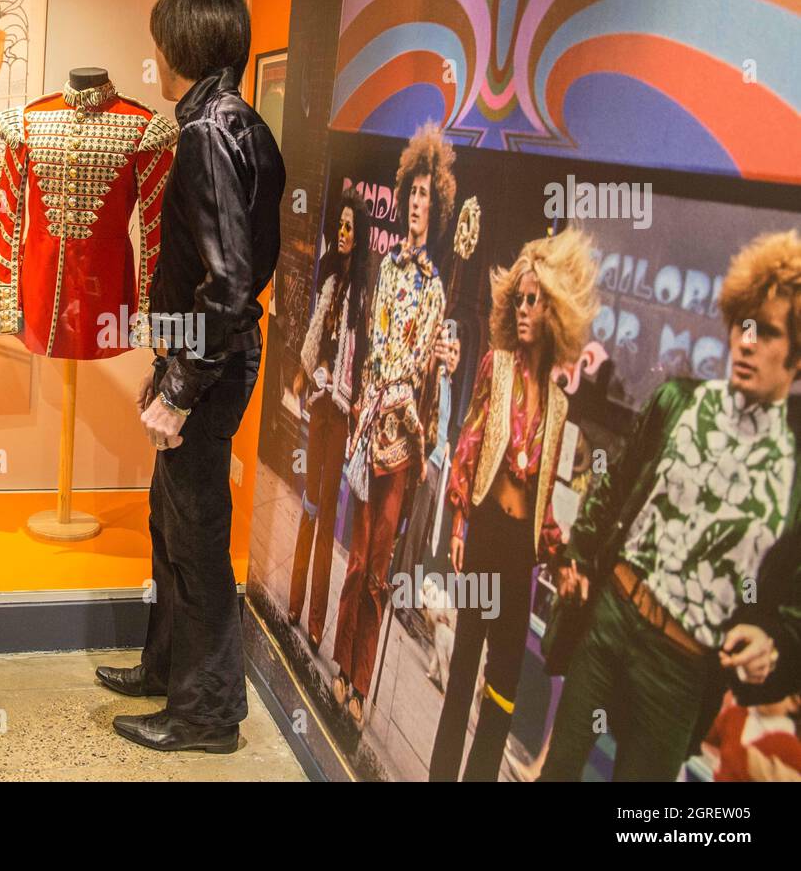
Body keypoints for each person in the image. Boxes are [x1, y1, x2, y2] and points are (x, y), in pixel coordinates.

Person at [95, 0, 285, 753]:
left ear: (178, 47)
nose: (154, 54)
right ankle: (167, 669)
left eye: (160, 40)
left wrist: (178, 386)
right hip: (209, 355)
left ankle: (206, 714)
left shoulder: (208, 131)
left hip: (209, 364)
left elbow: (230, 283)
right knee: (172, 519)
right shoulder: (240, 122)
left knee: (197, 534)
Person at [541, 230, 801, 781]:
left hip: (682, 670)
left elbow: (792, 614)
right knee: (558, 772)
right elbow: (610, 490)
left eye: (769, 332)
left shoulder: (793, 478)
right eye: (742, 326)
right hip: (614, 614)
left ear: (797, 358)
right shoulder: (677, 402)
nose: (747, 343)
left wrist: (773, 645)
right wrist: (578, 558)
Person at [429, 228, 599, 781]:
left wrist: (563, 557)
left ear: (555, 311)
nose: (524, 309)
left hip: (520, 557)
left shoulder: (559, 403)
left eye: (535, 300)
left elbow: (545, 502)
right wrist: (458, 520)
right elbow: (470, 445)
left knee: (501, 690)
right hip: (483, 537)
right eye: (519, 299)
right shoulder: (495, 367)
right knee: (461, 675)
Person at [332, 124, 460, 727]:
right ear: (403, 195)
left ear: (436, 211)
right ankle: (340, 665)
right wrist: (379, 394)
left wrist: (439, 364)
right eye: (413, 193)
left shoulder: (437, 289)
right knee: (356, 565)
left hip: (404, 443)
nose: (417, 204)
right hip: (370, 426)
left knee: (380, 572)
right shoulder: (385, 268)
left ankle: (362, 684)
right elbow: (377, 347)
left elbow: (427, 371)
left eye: (427, 199)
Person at [287, 188, 371, 651]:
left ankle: (316, 617)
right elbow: (316, 338)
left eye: (349, 228)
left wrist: (344, 392)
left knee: (327, 517)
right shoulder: (330, 282)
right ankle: (296, 602)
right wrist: (307, 373)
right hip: (319, 405)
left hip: (340, 415)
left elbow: (357, 360)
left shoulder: (361, 294)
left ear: (360, 237)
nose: (341, 233)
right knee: (309, 504)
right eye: (339, 226)